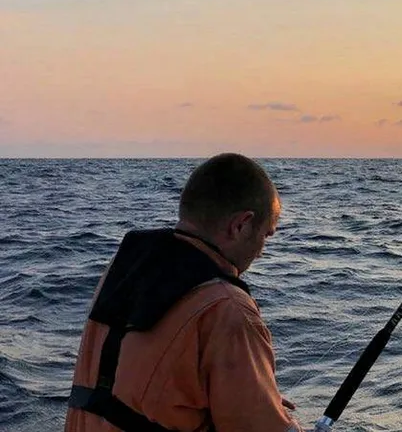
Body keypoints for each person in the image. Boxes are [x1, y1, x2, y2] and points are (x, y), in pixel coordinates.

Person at [65, 153, 303, 432]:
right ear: (241, 225)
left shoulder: (124, 269)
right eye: (266, 235)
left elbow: (137, 387)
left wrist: (246, 396)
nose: (262, 251)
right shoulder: (228, 307)